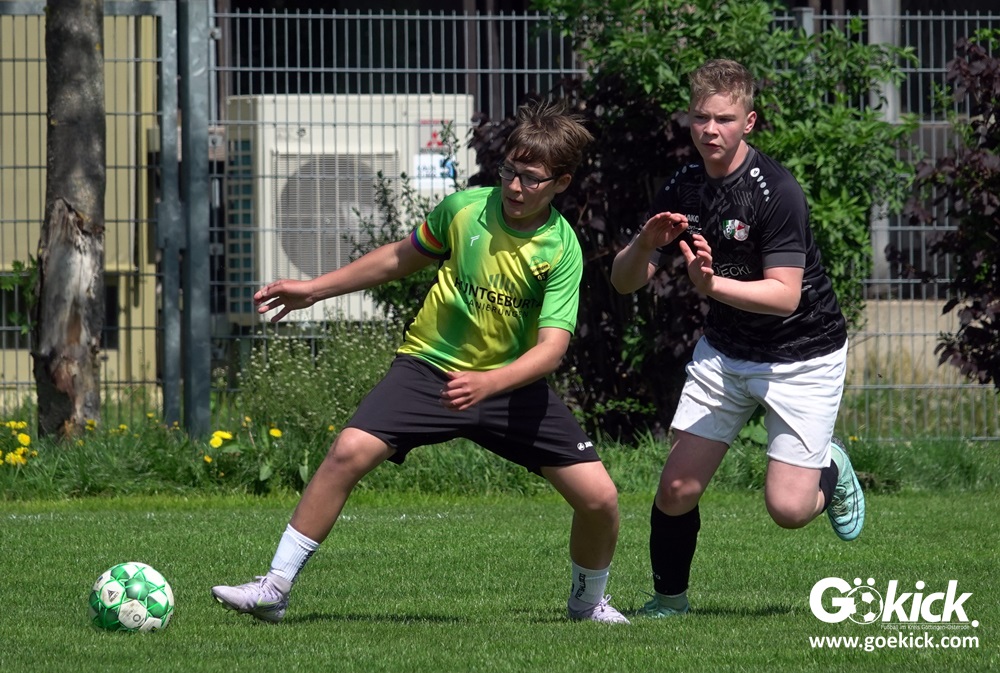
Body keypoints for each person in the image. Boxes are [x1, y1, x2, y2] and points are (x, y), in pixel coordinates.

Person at [211, 100, 629, 624]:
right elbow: (398, 257)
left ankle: (587, 605)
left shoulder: (561, 248)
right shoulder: (464, 210)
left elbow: (551, 349)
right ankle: (273, 588)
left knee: (600, 499)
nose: (515, 187)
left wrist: (489, 383)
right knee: (348, 451)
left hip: (508, 385)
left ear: (561, 183)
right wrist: (313, 290)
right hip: (429, 367)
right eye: (509, 171)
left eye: (531, 178)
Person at [610, 59, 865, 618]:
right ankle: (669, 602)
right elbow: (624, 282)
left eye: (724, 119)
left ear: (748, 122)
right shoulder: (683, 185)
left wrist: (711, 286)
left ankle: (830, 467)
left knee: (789, 510)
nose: (710, 130)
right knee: (676, 489)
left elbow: (785, 296)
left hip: (803, 354)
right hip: (726, 352)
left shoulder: (777, 191)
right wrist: (643, 244)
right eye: (701, 117)